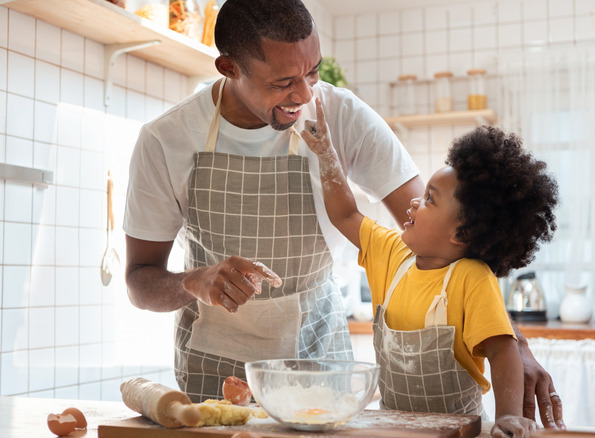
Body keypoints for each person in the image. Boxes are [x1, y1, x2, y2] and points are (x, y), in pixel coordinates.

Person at [122, 0, 565, 429]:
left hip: (320, 374)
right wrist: (192, 282)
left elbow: (455, 235)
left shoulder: (343, 116)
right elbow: (140, 282)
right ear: (229, 68)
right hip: (211, 378)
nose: (304, 94)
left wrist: (512, 345)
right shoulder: (166, 140)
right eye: (283, 82)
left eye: (312, 72)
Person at [301, 107, 558, 436]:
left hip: (457, 432)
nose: (413, 203)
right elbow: (346, 215)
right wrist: (326, 155)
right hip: (394, 429)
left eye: (428, 200)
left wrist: (508, 417)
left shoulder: (472, 278)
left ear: (461, 234)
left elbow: (502, 348)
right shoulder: (393, 253)